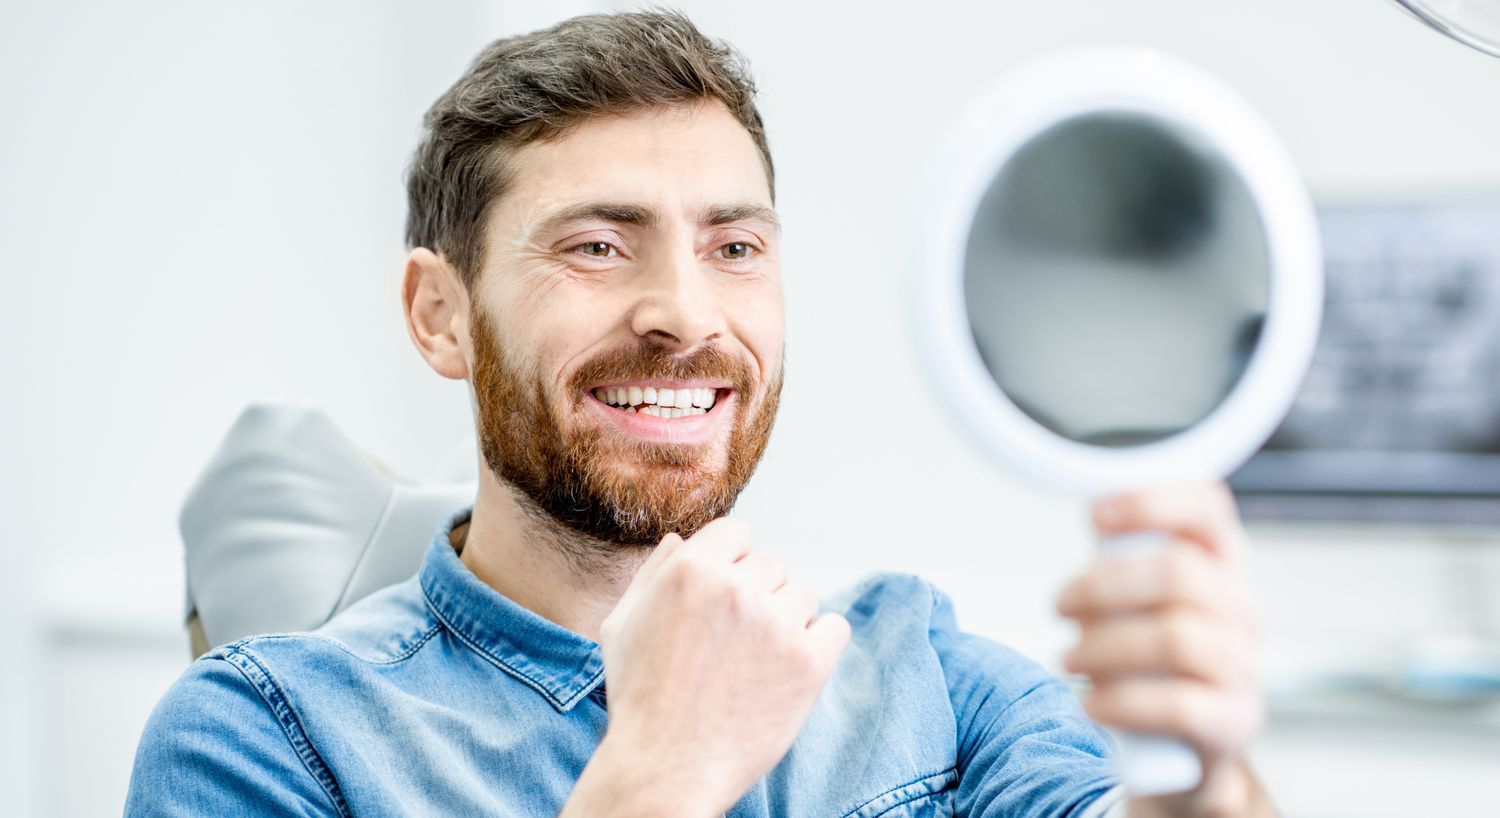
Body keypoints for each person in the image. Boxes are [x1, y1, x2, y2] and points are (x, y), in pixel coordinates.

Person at [126, 10, 1271, 817]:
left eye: (734, 247)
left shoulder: (927, 675)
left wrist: (1208, 783)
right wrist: (659, 772)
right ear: (440, 315)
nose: (684, 312)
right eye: (597, 245)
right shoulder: (265, 734)